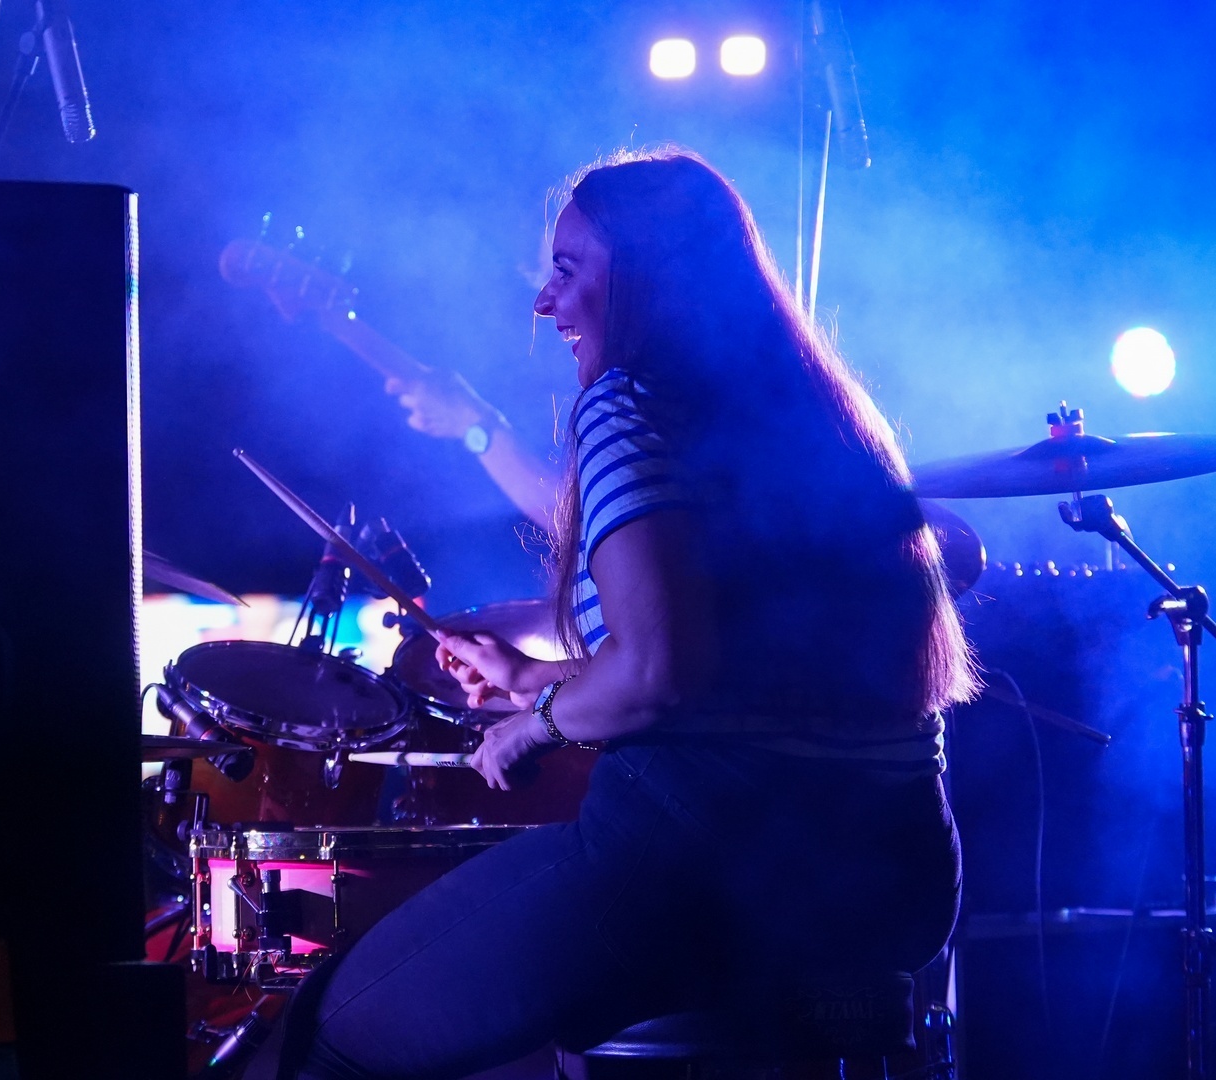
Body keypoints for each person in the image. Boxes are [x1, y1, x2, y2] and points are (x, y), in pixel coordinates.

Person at [251, 147, 975, 1079]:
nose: (543, 302)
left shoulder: (624, 405)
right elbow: (731, 665)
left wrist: (535, 725)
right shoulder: (831, 415)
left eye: (566, 269)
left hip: (706, 862)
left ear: (649, 277)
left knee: (327, 1035)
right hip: (898, 875)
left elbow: (660, 675)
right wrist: (533, 678)